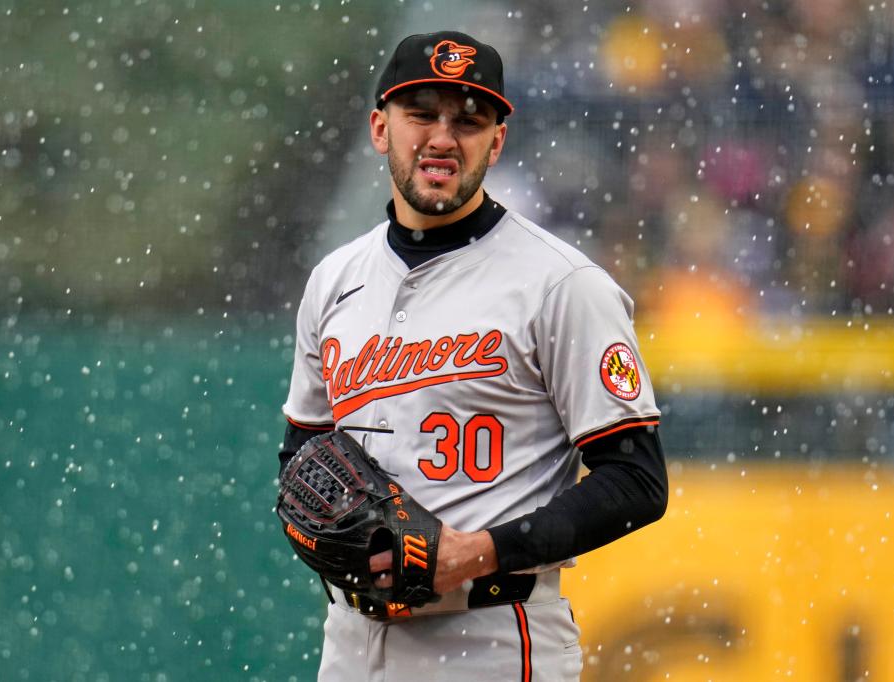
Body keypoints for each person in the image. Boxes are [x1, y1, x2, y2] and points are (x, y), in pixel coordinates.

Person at [278, 30, 668, 681]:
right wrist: (337, 543)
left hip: (491, 636)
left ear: (497, 141)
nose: (442, 136)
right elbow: (301, 457)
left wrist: (481, 552)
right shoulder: (334, 280)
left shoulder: (561, 284)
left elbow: (636, 482)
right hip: (349, 641)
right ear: (380, 129)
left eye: (469, 119)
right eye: (421, 113)